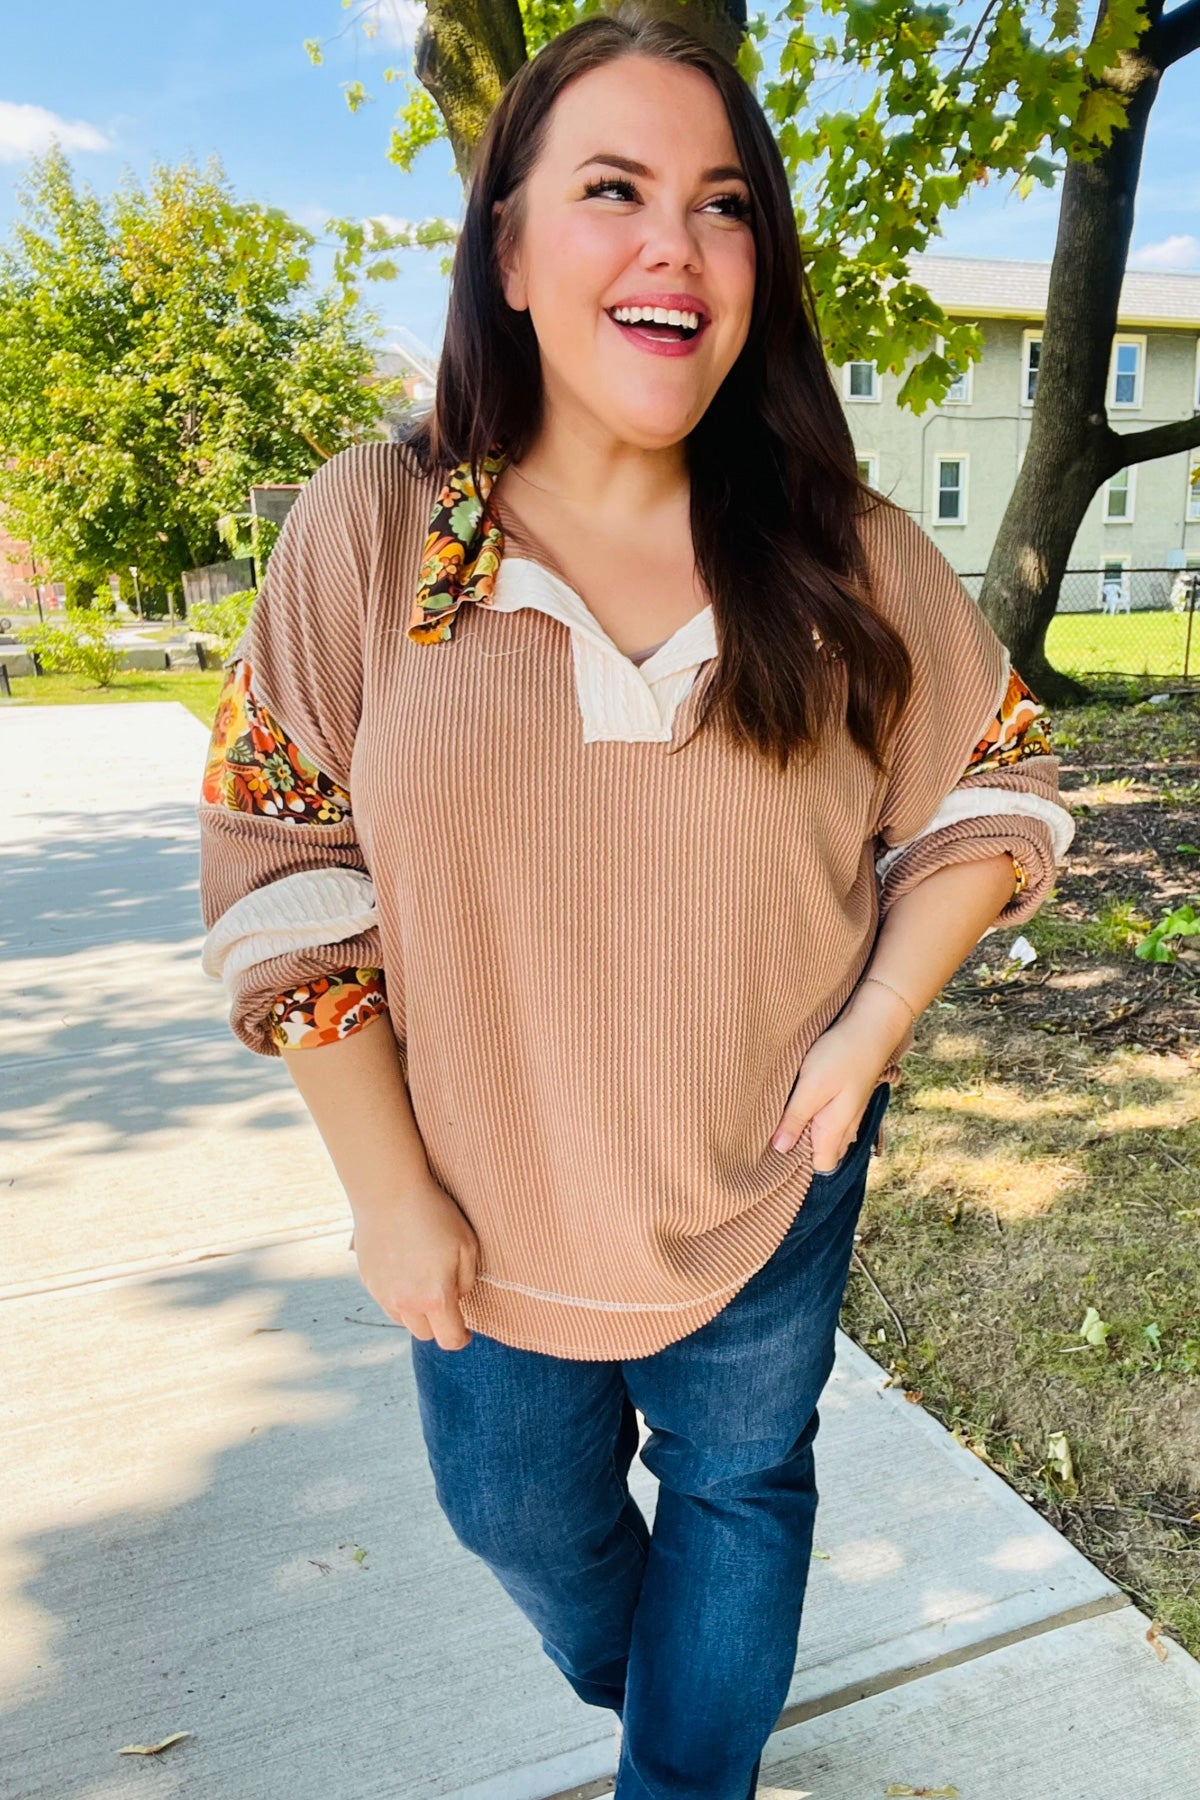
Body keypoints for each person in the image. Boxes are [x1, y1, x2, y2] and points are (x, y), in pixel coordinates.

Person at [195, 9, 1075, 1796]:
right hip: (484, 1202)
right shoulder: (378, 534)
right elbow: (282, 864)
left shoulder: (845, 552)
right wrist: (386, 1190)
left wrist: (869, 1030)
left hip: (773, 1165)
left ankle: (686, 1768)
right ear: (511, 249)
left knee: (743, 1488)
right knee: (516, 1521)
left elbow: (997, 789)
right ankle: (668, 1689)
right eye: (613, 190)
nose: (675, 241)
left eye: (723, 203)